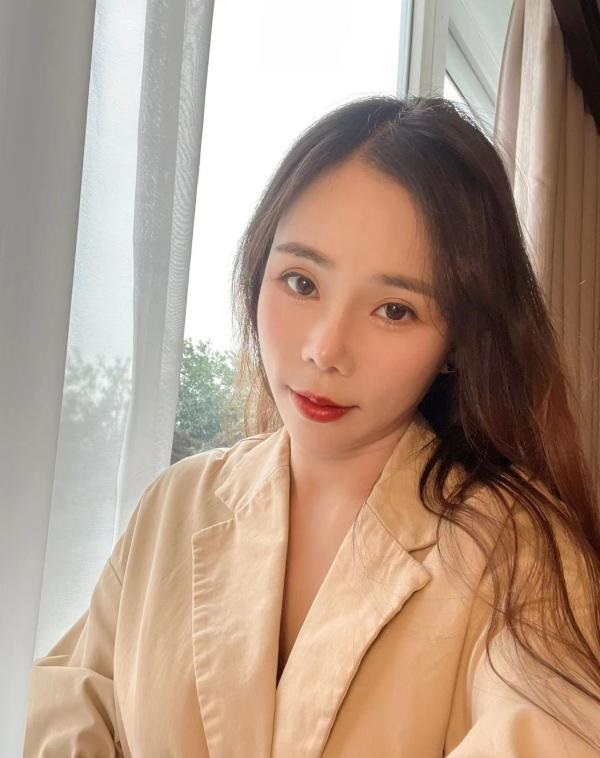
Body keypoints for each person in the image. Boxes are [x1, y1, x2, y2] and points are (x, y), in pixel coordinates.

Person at [23, 95, 600, 757]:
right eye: (301, 283)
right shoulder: (175, 505)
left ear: (458, 344)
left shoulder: (520, 550)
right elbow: (69, 701)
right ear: (257, 272)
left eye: (394, 310)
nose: (326, 350)